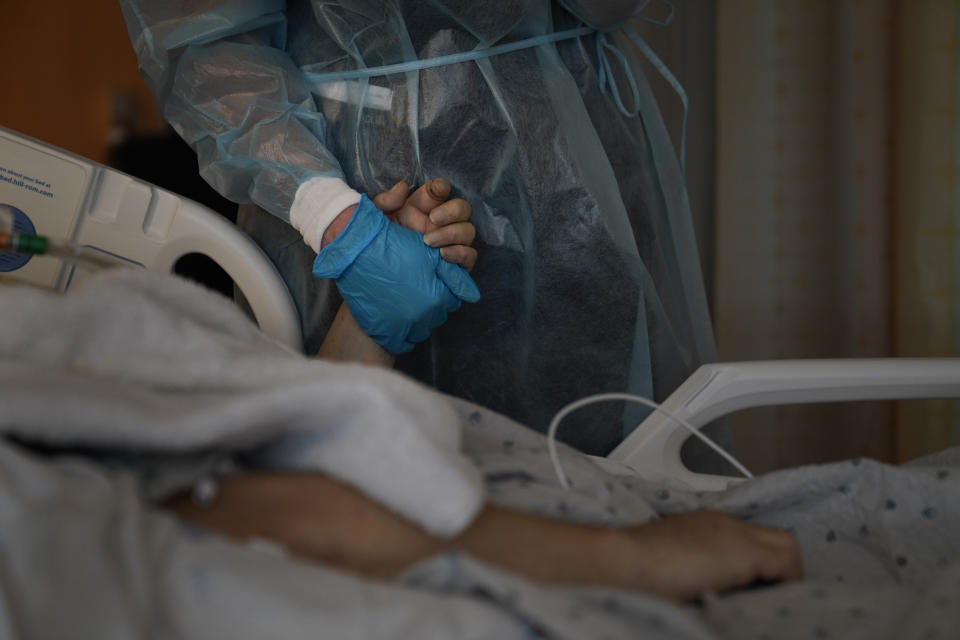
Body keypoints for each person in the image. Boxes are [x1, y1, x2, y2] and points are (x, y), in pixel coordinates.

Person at [119, 0, 718, 457]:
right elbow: (211, 50)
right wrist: (336, 221)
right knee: (359, 478)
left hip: (582, 168)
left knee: (609, 464)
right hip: (363, 179)